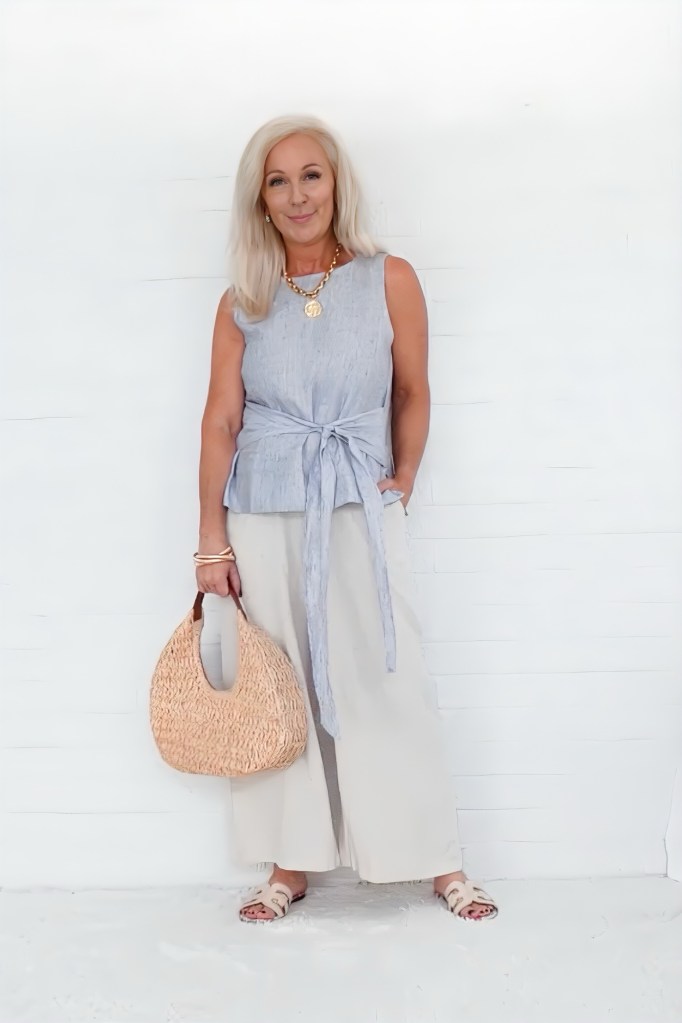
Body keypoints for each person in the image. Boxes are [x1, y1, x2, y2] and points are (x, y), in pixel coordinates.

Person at [195, 115, 499, 924]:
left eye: (312, 175)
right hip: (264, 508)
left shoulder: (387, 275)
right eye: (278, 181)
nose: (298, 195)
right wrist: (209, 540)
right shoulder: (243, 301)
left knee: (387, 674)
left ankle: (435, 857)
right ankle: (289, 862)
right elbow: (221, 419)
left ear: (337, 183)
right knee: (282, 686)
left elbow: (413, 390)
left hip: (359, 504)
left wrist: (402, 476)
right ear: (259, 201)